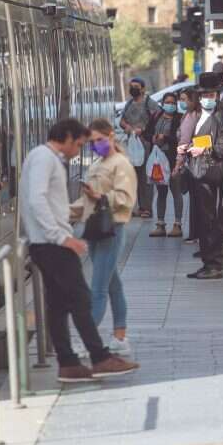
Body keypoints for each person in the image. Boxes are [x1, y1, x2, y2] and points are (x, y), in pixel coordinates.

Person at [20, 119, 138, 382]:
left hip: (53, 241)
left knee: (59, 304)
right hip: (53, 244)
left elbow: (51, 203)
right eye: (81, 144)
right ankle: (99, 357)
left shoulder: (43, 157)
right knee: (82, 298)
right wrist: (62, 237)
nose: (80, 150)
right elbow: (37, 200)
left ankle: (69, 363)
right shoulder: (45, 159)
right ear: (67, 137)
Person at [69, 119, 137, 356]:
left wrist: (100, 196)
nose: (95, 145)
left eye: (99, 140)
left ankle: (88, 340)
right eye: (91, 142)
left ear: (110, 136)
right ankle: (120, 337)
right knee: (112, 285)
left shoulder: (121, 164)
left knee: (98, 288)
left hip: (112, 229)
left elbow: (126, 198)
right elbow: (88, 201)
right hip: (95, 229)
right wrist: (65, 211)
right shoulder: (98, 163)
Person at [181, 74, 223, 279]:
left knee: (213, 221)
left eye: (211, 95)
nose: (207, 98)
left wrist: (203, 149)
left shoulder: (221, 117)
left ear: (217, 95)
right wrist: (188, 148)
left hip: (214, 177)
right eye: (204, 95)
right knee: (204, 221)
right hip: (200, 175)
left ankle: (214, 265)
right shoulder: (198, 116)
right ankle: (208, 263)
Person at [119, 76, 160, 218]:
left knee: (145, 176)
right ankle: (138, 207)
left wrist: (143, 129)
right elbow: (122, 120)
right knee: (133, 175)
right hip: (131, 143)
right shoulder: (129, 103)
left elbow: (157, 119)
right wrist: (127, 126)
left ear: (143, 89)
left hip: (145, 143)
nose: (133, 89)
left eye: (136, 87)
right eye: (131, 86)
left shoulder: (149, 103)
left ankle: (147, 208)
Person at [147, 92, 185, 237]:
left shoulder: (180, 118)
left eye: (173, 103)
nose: (170, 105)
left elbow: (181, 138)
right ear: (162, 103)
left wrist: (166, 138)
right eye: (167, 102)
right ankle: (160, 224)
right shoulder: (156, 116)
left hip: (173, 159)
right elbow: (146, 132)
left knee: (176, 191)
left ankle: (177, 224)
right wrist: (153, 138)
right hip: (158, 160)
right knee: (161, 192)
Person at [175, 88, 201, 244]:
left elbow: (184, 142)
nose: (182, 102)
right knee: (198, 199)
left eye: (184, 99)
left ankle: (196, 233)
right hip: (197, 161)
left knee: (196, 200)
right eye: (181, 99)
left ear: (193, 100)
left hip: (194, 163)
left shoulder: (191, 117)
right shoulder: (192, 115)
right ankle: (197, 232)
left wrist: (178, 164)